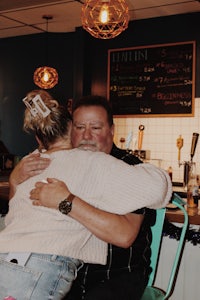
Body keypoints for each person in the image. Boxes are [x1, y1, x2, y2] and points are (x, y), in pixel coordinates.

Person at [0, 93, 172, 300]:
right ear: (69, 130)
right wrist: (15, 181)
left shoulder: (128, 168)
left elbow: (123, 236)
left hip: (114, 276)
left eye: (96, 128)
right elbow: (22, 216)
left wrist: (66, 201)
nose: (86, 136)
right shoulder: (58, 162)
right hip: (64, 272)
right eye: (79, 128)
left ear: (111, 131)